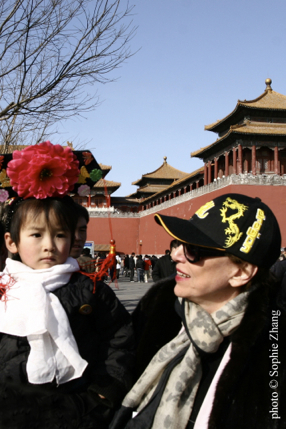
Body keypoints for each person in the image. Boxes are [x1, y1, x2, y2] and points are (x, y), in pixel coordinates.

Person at [110, 193, 286, 429]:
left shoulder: (272, 350)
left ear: (240, 272)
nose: (176, 255)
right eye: (179, 244)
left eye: (193, 249)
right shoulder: (158, 311)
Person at [0, 142, 135, 429]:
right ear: (12, 242)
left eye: (59, 235)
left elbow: (120, 337)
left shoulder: (91, 289)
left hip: (78, 411)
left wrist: (103, 392)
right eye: (36, 235)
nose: (49, 246)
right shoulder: (3, 290)